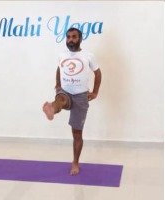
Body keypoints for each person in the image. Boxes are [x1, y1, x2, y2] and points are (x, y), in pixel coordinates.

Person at [43, 27, 101, 175]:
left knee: (76, 133)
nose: (70, 40)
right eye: (68, 37)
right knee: (60, 99)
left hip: (81, 96)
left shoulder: (88, 55)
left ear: (80, 38)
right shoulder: (62, 55)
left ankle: (75, 162)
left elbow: (98, 73)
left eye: (74, 37)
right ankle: (52, 108)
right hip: (65, 91)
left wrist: (95, 92)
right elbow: (59, 69)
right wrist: (57, 84)